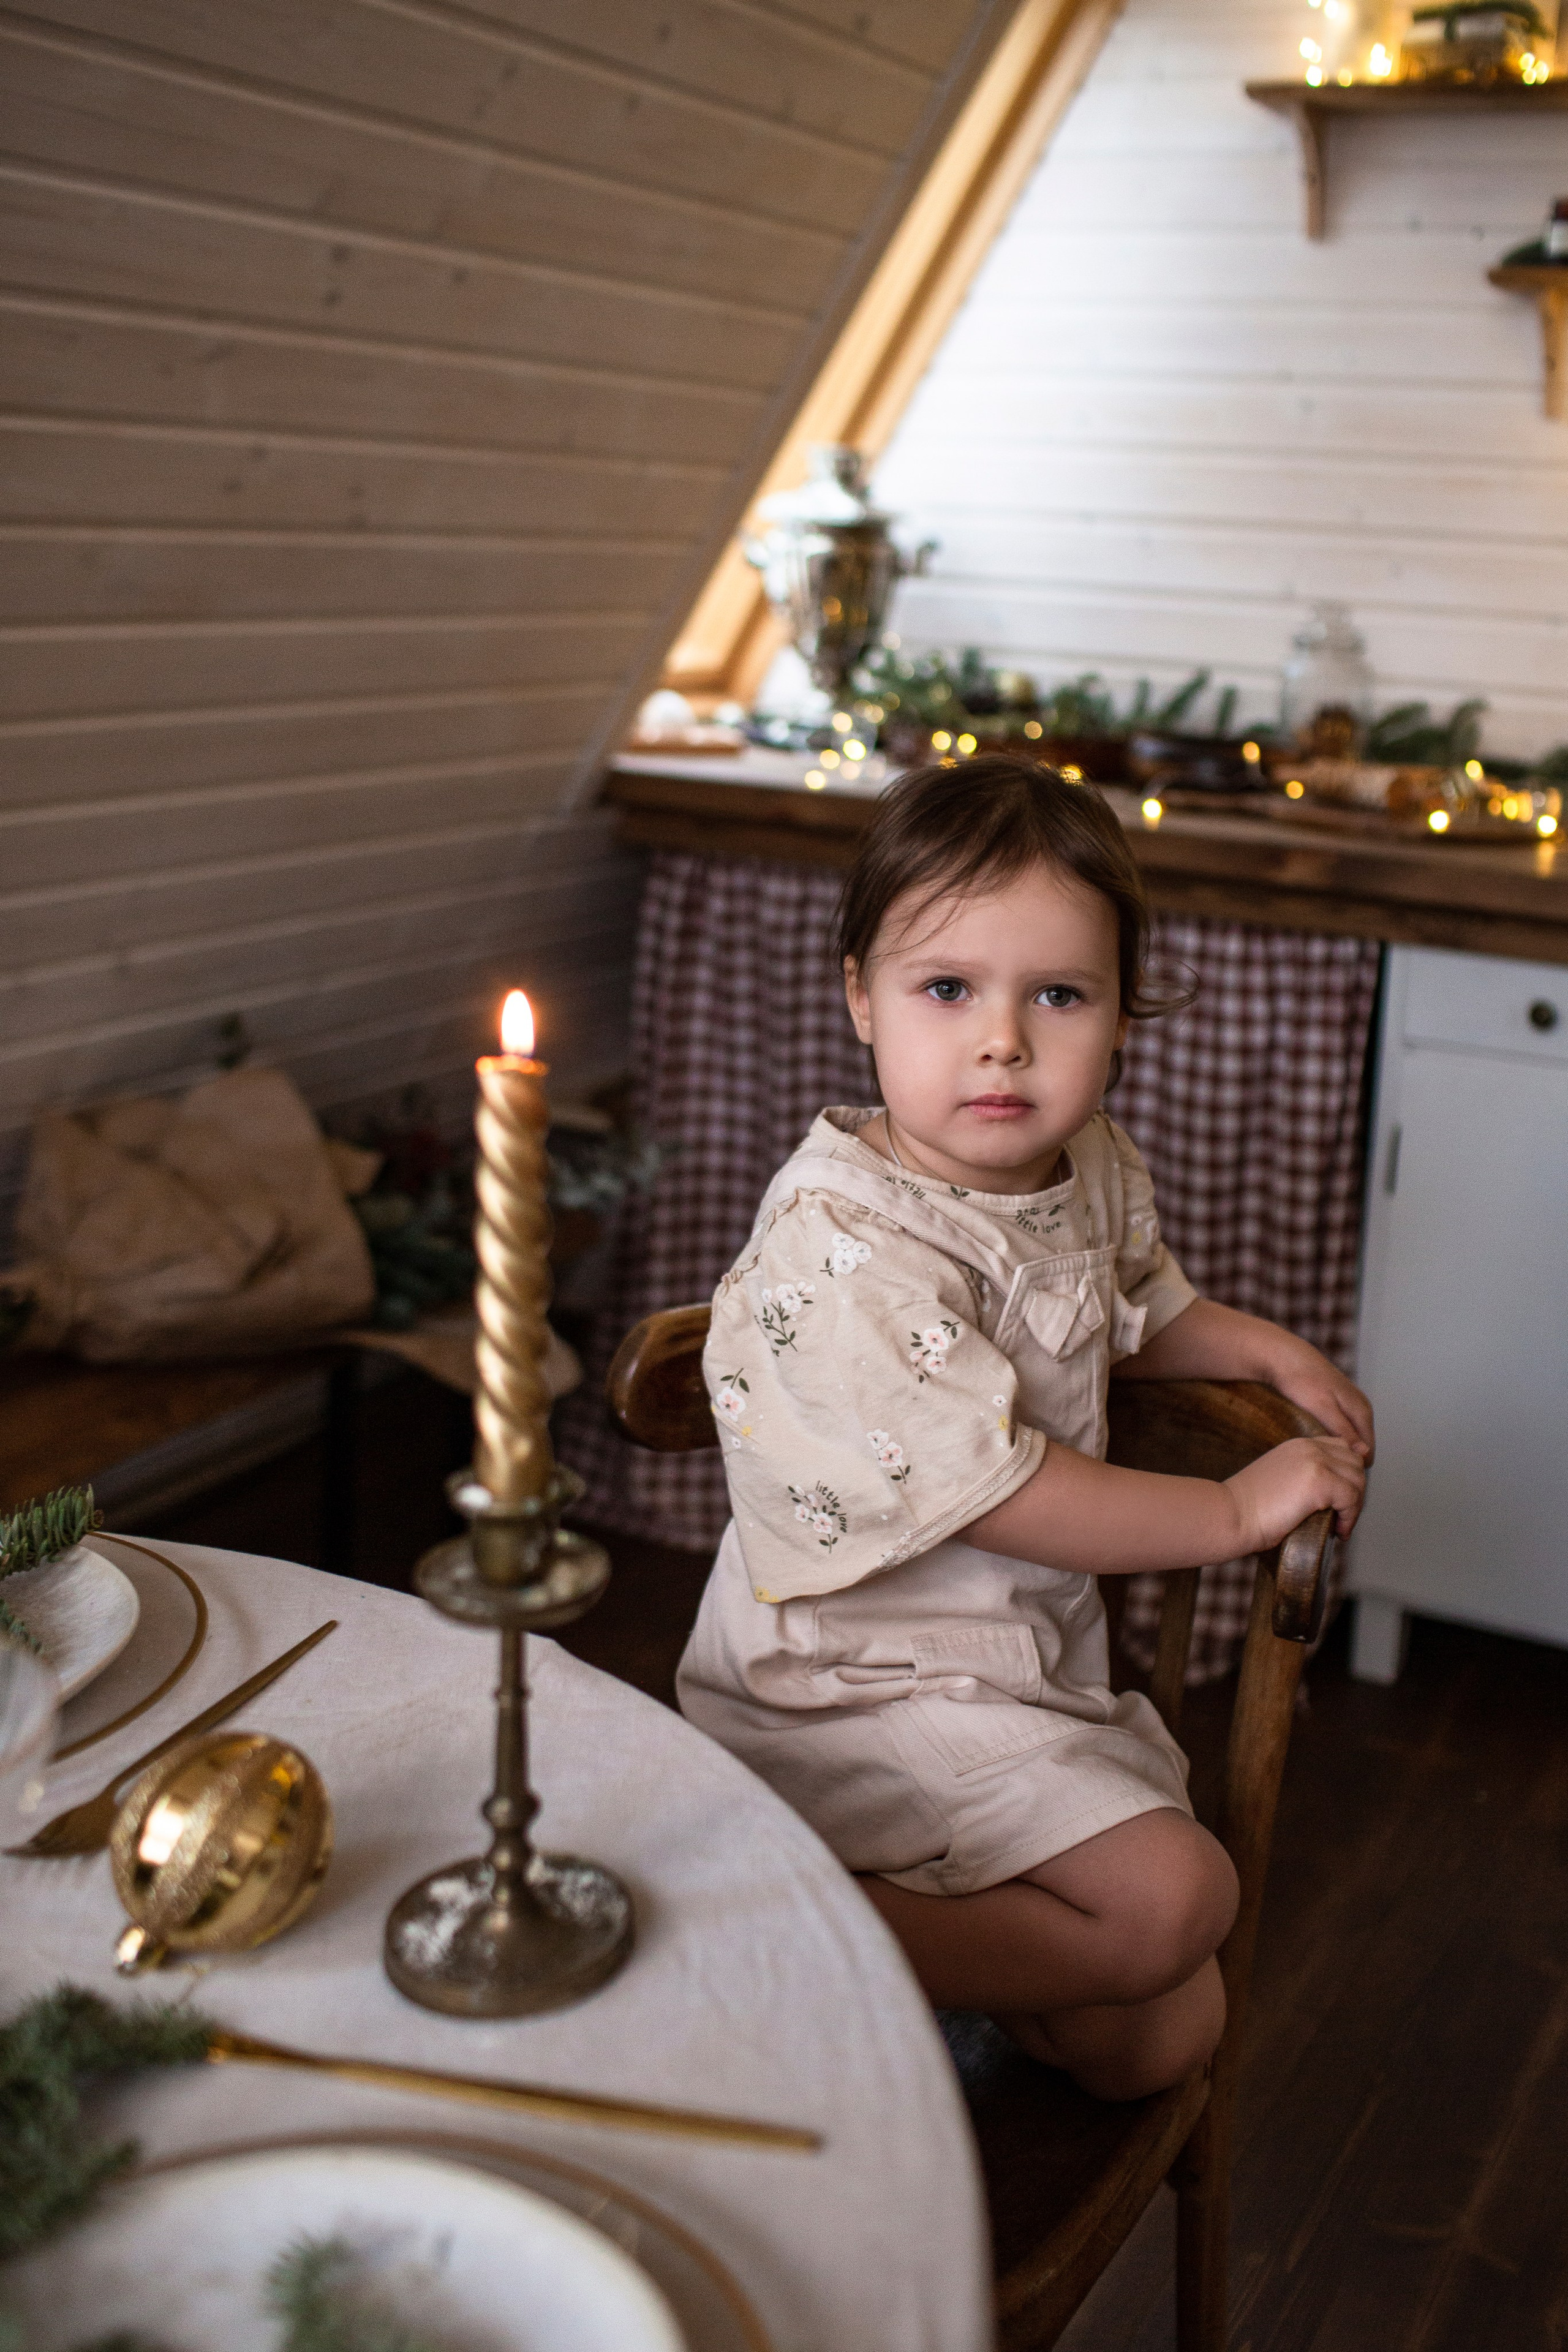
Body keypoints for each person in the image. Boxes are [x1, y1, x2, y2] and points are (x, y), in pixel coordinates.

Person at [676, 755, 1372, 2100]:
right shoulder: (844, 1248)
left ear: (1118, 1014)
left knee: (1159, 2036)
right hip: (855, 1681)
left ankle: (886, 1971)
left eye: (1056, 994)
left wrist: (1255, 1346)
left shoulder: (1087, 1159)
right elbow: (1004, 1492)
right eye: (947, 990)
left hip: (1012, 1662)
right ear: (860, 1000)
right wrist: (1231, 1511)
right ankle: (775, 1916)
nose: (1003, 1040)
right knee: (1172, 1905)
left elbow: (1127, 1301)